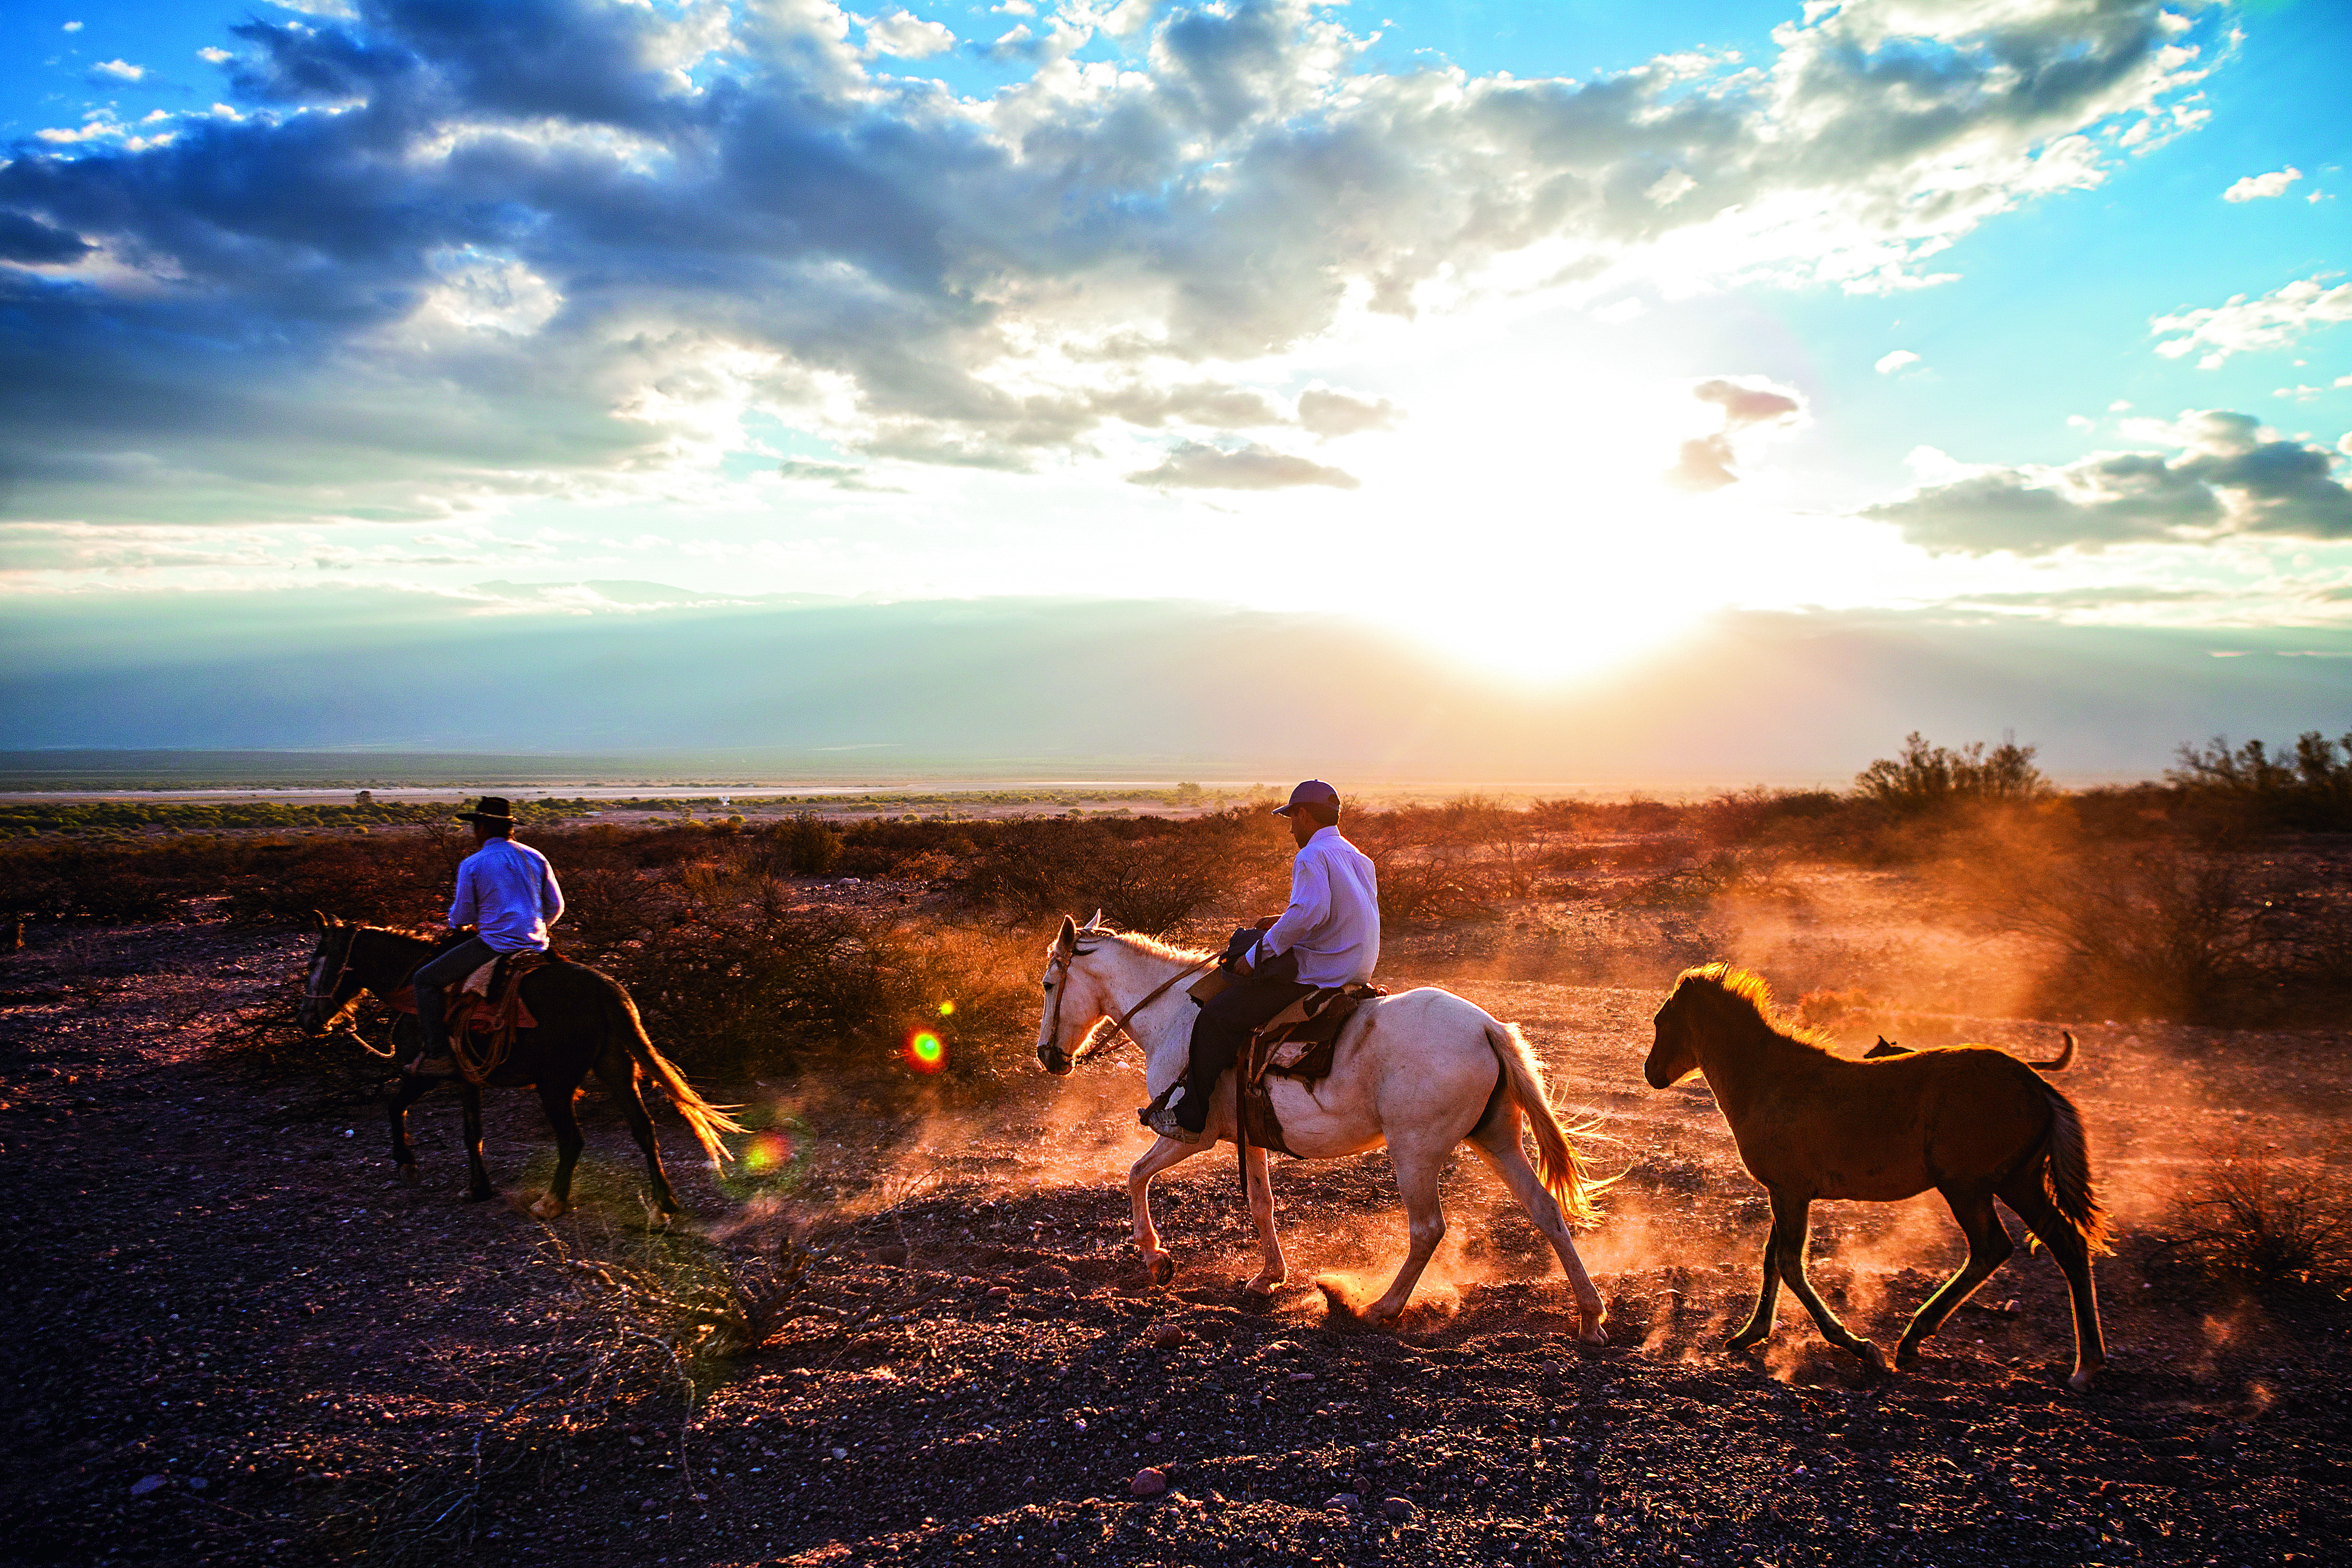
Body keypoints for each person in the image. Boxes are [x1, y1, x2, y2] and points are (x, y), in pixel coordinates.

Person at [1147, 779, 1379, 1141]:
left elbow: (1309, 911)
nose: (1290, 828)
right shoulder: (1358, 858)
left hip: (1320, 970)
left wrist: (1255, 958)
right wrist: (1280, 921)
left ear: (1304, 815)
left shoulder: (1311, 855)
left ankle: (1191, 1118)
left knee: (1214, 1017)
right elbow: (1330, 912)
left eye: (1292, 819)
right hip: (1356, 966)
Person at [406, 797, 565, 1077]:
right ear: (509, 828)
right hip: (538, 944)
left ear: (481, 828)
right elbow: (556, 906)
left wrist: (458, 920)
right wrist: (539, 928)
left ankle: (438, 1054)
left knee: (425, 980)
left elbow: (463, 917)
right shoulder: (535, 856)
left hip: (495, 944)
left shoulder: (474, 863)